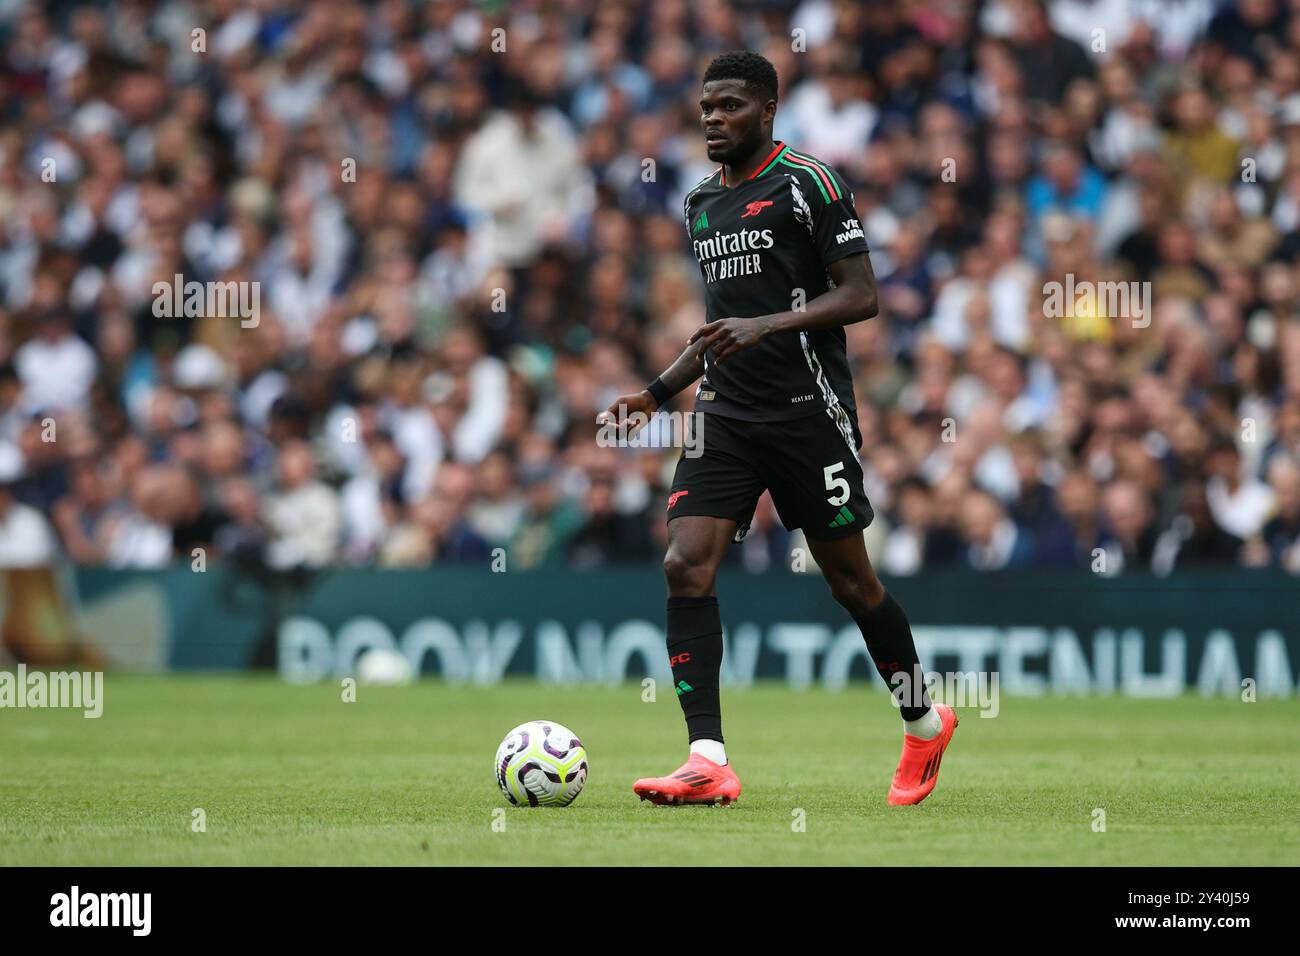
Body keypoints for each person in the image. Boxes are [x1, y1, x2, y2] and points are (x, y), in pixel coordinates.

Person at [599, 51, 957, 808]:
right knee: (684, 563)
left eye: (729, 106)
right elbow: (719, 330)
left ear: (767, 109)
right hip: (724, 414)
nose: (712, 120)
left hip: (806, 413)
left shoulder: (811, 183)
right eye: (705, 109)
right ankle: (707, 758)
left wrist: (772, 323)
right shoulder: (699, 203)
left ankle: (923, 722)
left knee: (852, 583)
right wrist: (658, 393)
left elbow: (862, 296)